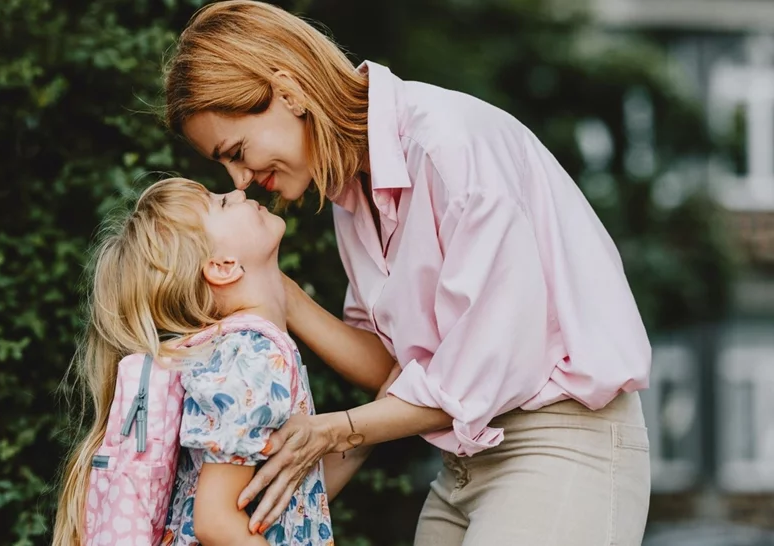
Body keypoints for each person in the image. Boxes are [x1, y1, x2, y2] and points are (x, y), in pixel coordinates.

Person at [163, 2, 653, 545]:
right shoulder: (355, 188)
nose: (241, 179)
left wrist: (333, 432)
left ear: (289, 91)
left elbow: (478, 371)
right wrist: (278, 295)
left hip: (560, 447)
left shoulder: (448, 148)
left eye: (236, 151)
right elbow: (395, 369)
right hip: (465, 464)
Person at [51, 178, 370, 546]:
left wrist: (370, 430)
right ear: (223, 266)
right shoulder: (251, 353)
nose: (236, 192)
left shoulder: (233, 349)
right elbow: (216, 523)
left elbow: (286, 500)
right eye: (220, 204)